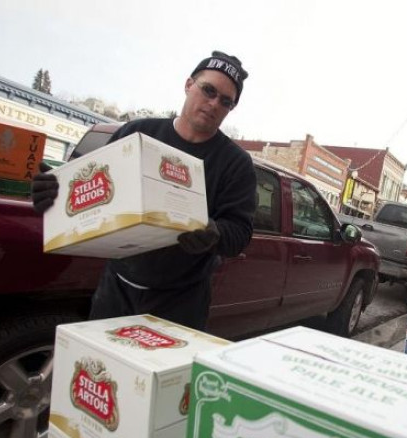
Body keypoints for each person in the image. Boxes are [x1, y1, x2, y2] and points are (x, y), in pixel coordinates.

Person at [31, 51, 257, 331]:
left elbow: (240, 232)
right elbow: (92, 190)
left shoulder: (235, 163)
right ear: (189, 85)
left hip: (181, 300)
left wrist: (214, 234)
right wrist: (53, 195)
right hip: (116, 287)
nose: (213, 104)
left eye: (226, 101)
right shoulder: (137, 132)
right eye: (208, 90)